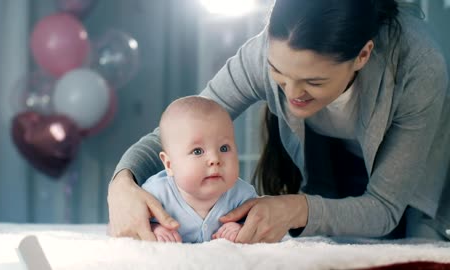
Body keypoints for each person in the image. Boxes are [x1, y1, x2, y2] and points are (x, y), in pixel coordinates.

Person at [108, 0, 450, 243]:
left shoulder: (417, 67)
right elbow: (178, 131)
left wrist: (294, 209)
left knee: (416, 246)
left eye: (313, 82)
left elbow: (385, 208)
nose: (292, 93)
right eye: (278, 74)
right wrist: (121, 182)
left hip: (407, 191)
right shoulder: (261, 54)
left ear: (362, 55)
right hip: (325, 172)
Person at [140, 96, 258, 243]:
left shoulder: (243, 196)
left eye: (224, 148)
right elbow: (128, 223)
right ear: (169, 164)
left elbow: (259, 226)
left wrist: (240, 226)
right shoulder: (155, 194)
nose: (215, 159)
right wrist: (154, 228)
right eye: (197, 151)